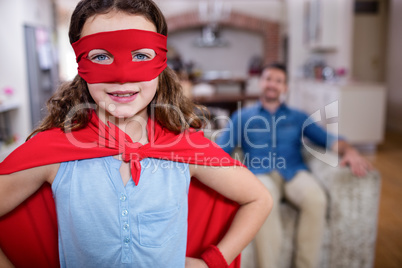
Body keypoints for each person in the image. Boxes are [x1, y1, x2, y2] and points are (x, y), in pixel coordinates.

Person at [0, 1, 272, 267]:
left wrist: (211, 262)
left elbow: (259, 198)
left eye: (141, 55)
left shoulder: (184, 148)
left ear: (161, 62)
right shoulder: (53, 152)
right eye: (101, 56)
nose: (122, 76)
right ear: (81, 63)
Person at [215, 62, 372, 268]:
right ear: (260, 82)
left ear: (285, 88)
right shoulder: (242, 117)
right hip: (260, 174)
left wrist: (350, 150)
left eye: (278, 81)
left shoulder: (298, 117)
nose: (272, 84)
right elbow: (220, 149)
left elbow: (329, 139)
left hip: (294, 171)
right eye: (268, 78)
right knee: (264, 200)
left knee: (316, 199)